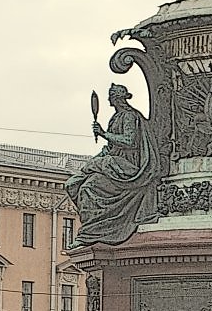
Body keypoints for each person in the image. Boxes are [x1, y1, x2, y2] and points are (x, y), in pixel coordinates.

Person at [67, 84, 160, 247]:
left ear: (117, 98)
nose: (109, 99)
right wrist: (91, 162)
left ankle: (92, 232)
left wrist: (104, 134)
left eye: (111, 96)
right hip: (113, 163)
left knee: (89, 188)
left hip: (128, 167)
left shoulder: (130, 116)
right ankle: (93, 230)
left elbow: (129, 142)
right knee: (76, 185)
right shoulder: (116, 118)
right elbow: (110, 149)